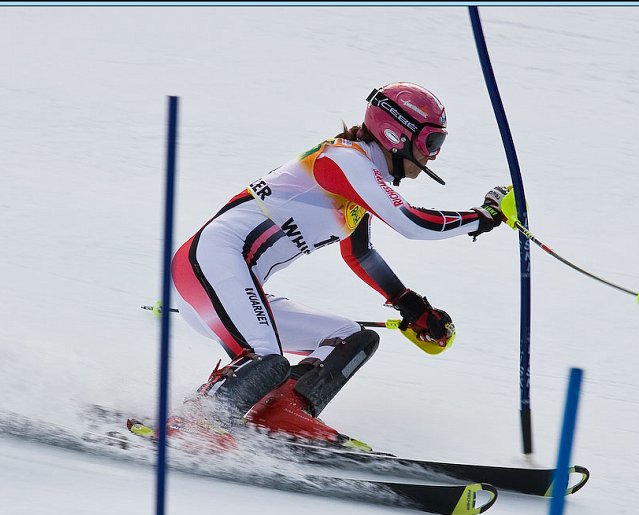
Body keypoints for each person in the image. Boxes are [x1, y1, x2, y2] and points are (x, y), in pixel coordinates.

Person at [168, 82, 514, 450]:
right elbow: (411, 223)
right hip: (207, 265)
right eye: (432, 143)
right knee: (267, 358)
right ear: (397, 134)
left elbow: (360, 254)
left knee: (352, 339)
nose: (433, 156)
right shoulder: (345, 160)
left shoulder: (359, 179)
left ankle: (280, 411)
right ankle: (196, 419)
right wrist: (483, 217)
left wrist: (410, 304)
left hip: (233, 285)